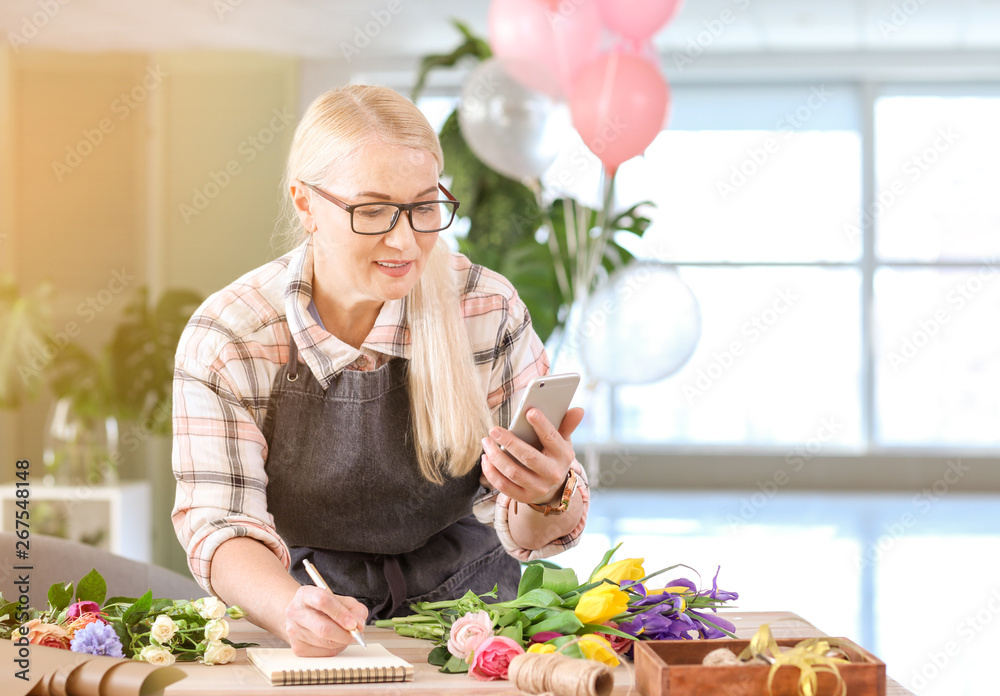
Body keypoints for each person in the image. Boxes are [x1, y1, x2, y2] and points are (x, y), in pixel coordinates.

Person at [171, 84, 589, 657]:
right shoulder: (232, 336)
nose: (404, 240)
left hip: (472, 617)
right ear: (304, 202)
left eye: (422, 206)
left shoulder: (483, 309)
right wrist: (288, 608)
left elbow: (524, 530)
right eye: (371, 210)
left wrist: (548, 496)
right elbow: (220, 523)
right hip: (308, 610)